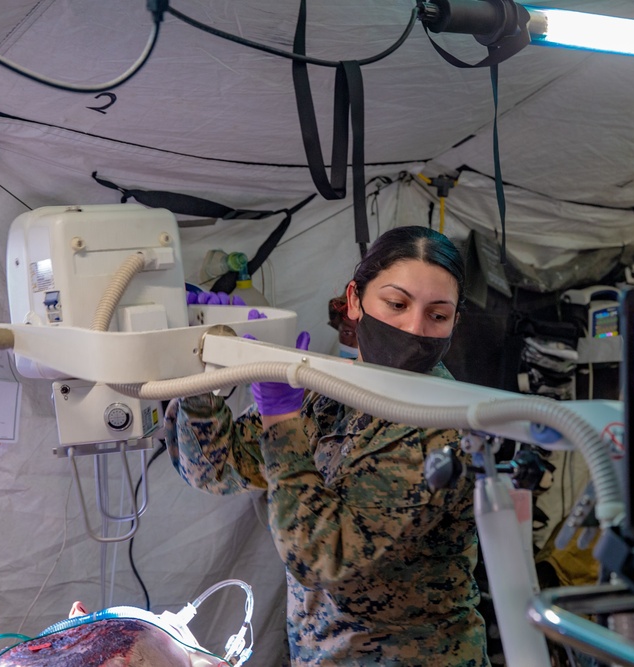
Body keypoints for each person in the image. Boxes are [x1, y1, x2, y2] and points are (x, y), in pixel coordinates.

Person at [164, 225, 489, 666]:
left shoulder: (440, 427)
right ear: (355, 300)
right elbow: (215, 470)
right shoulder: (327, 389)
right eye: (396, 304)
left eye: (437, 315)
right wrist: (203, 373)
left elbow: (321, 559)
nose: (414, 328)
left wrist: (282, 423)